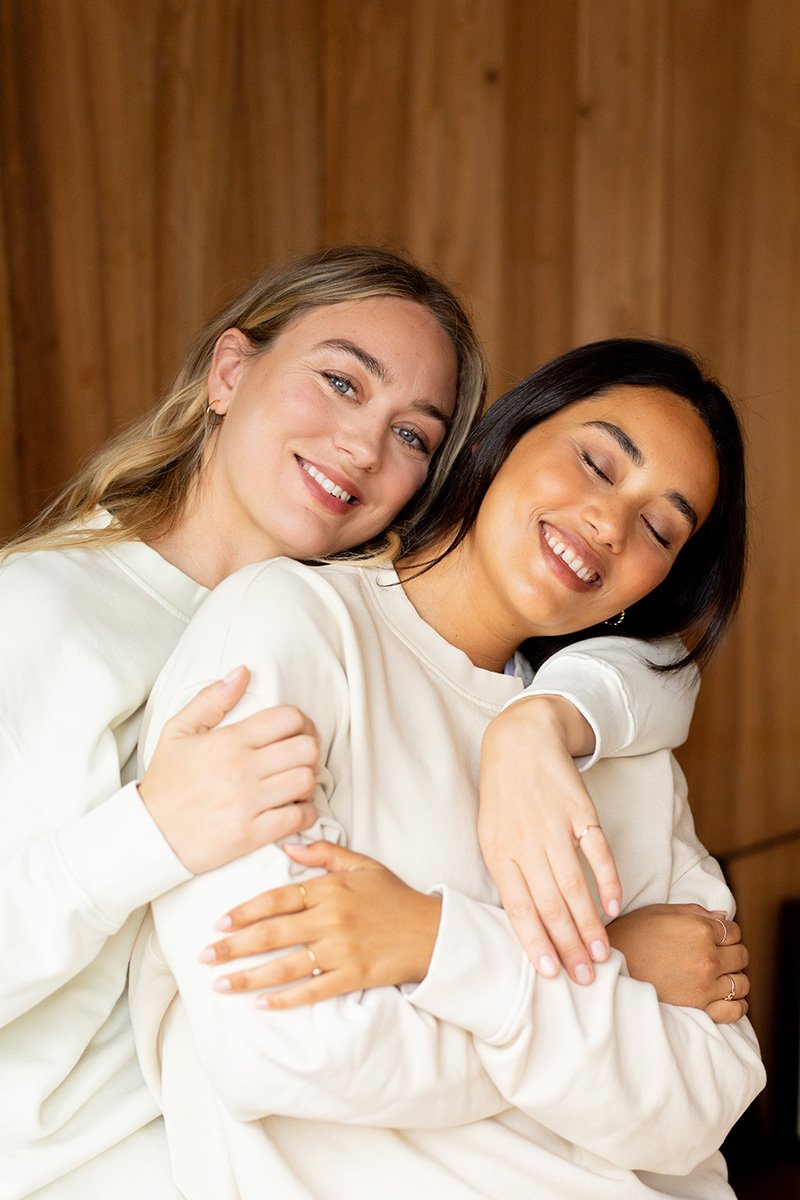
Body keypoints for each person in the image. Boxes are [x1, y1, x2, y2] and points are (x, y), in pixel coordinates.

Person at [0, 246, 706, 1200]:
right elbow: (281, 1035)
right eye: (339, 382)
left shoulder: (370, 621)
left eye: (414, 436)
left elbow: (662, 666)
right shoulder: (52, 610)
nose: (364, 448)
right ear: (229, 371)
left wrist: (547, 722)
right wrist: (152, 830)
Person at [131, 337, 765, 1200]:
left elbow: (703, 1099)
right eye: (595, 461)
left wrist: (431, 946)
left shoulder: (617, 747)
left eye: (660, 528)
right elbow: (279, 1046)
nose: (610, 525)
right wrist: (612, 968)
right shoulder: (297, 625)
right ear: (505, 437)